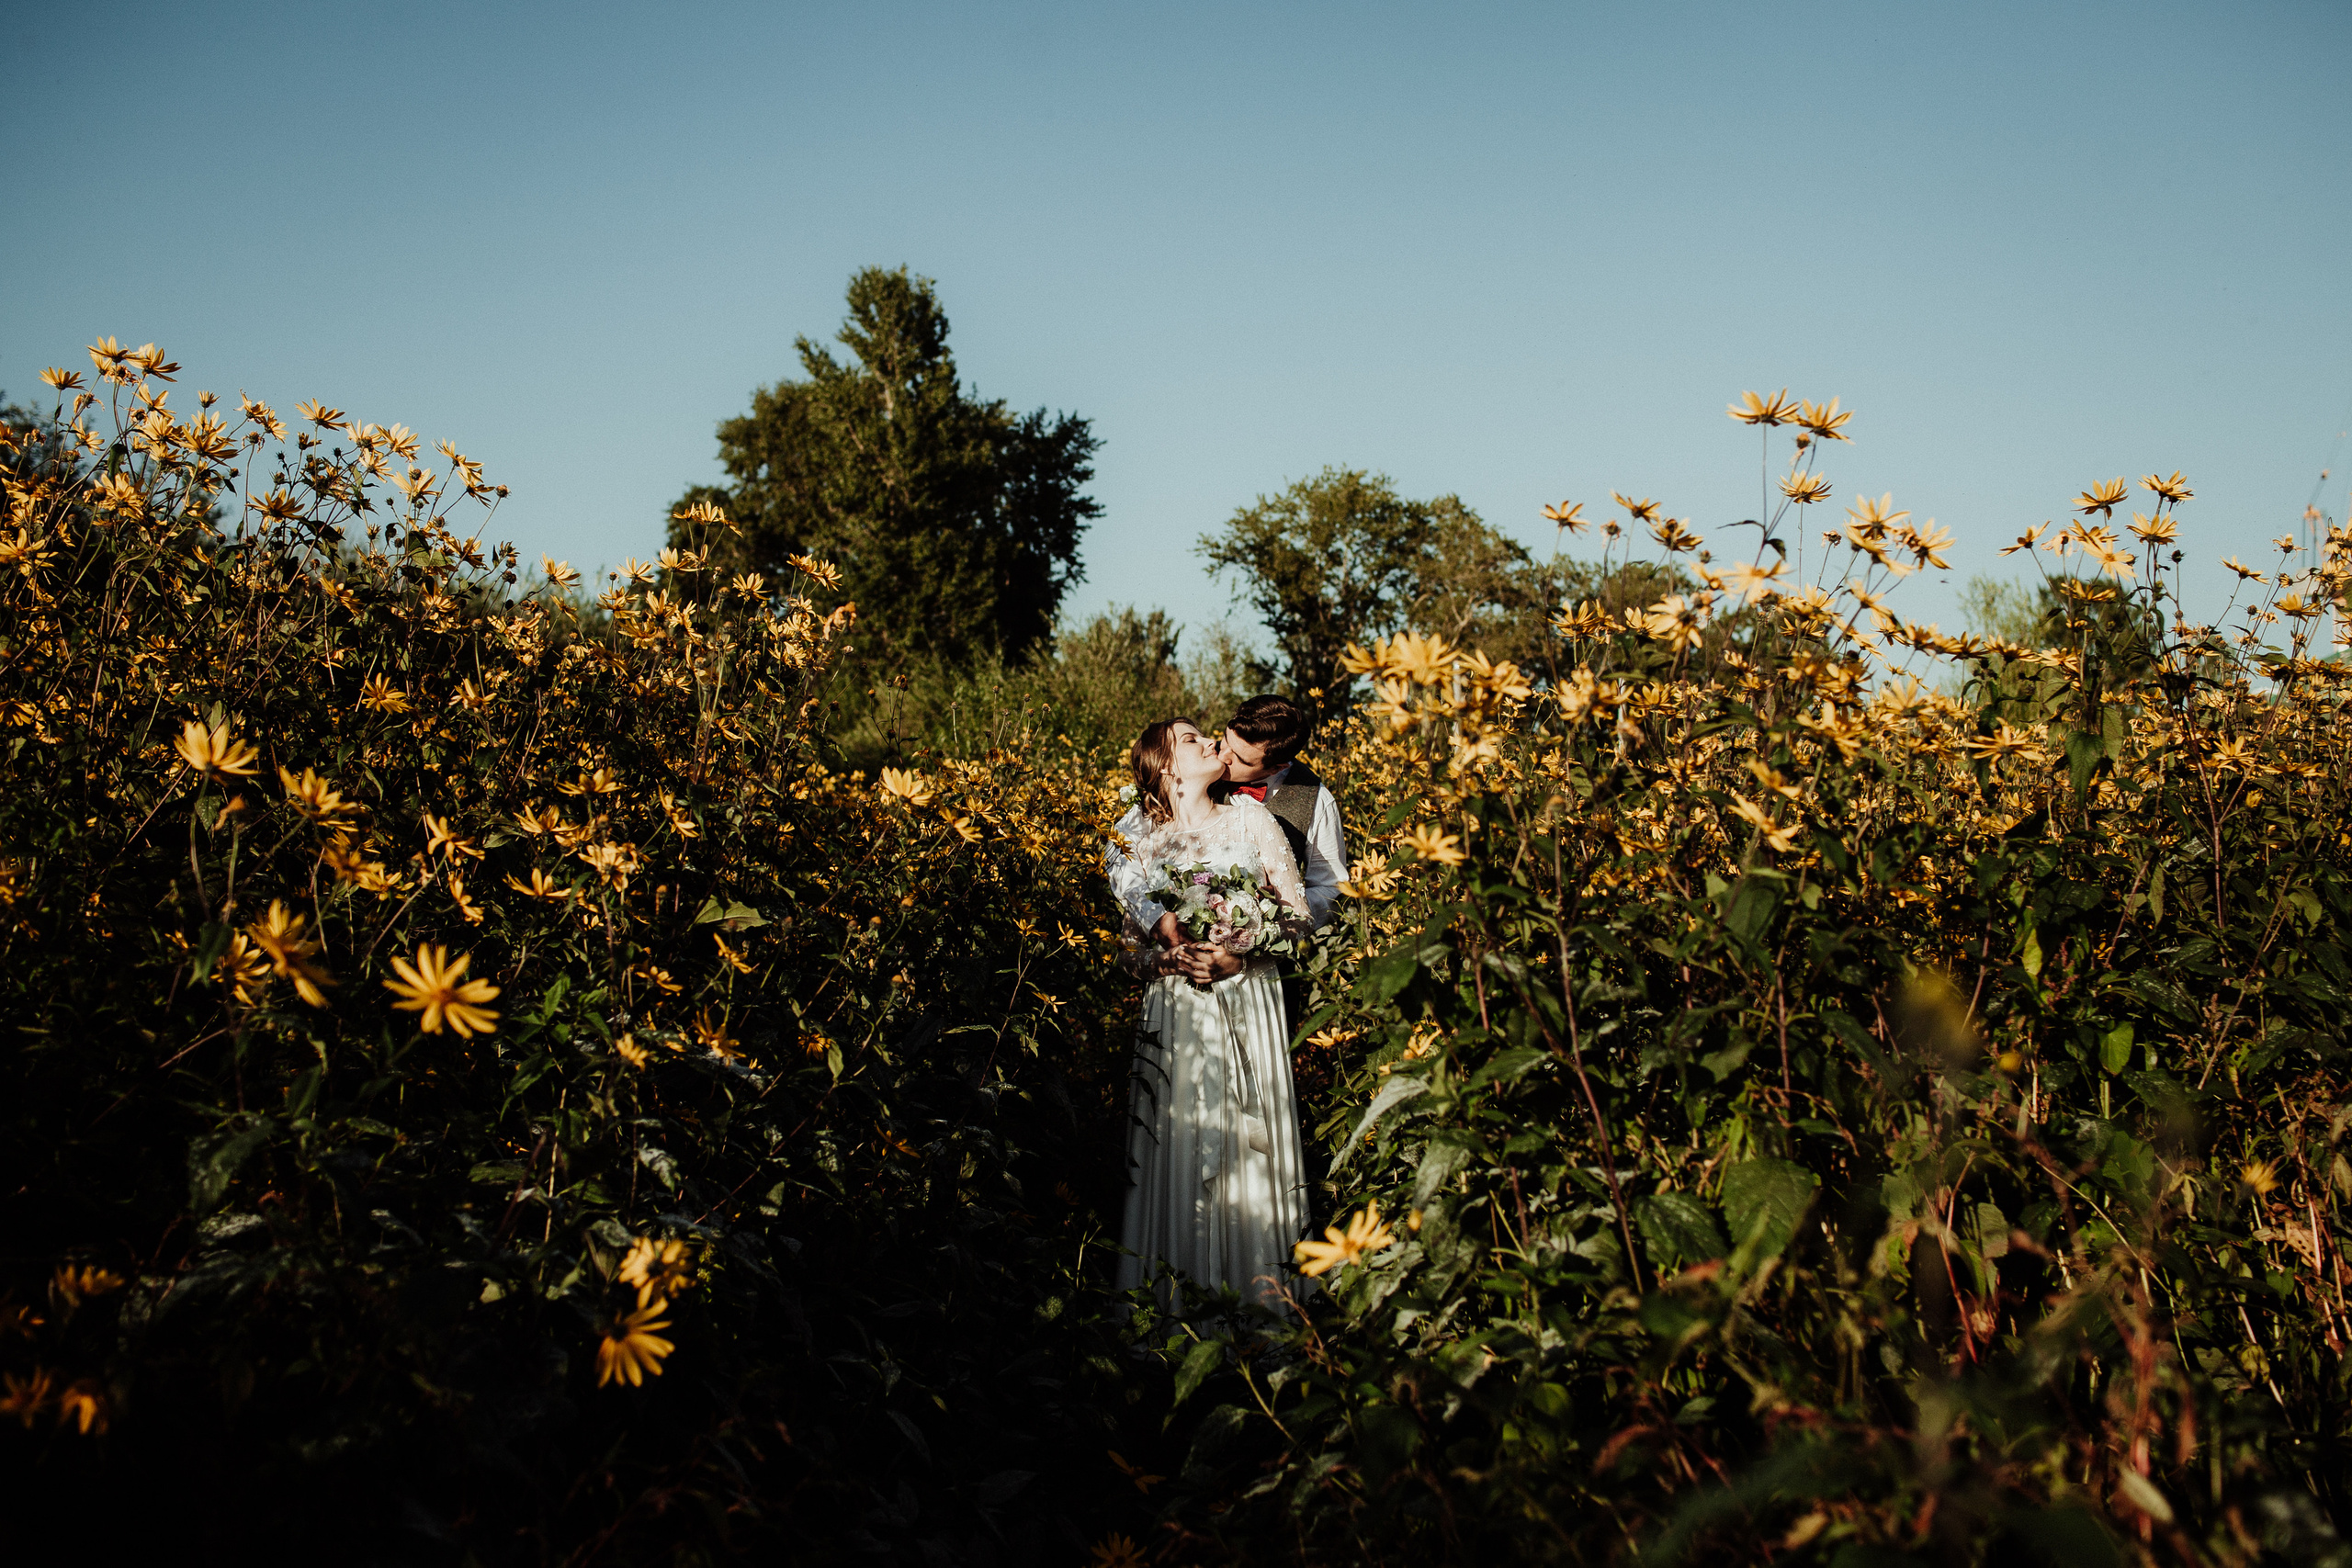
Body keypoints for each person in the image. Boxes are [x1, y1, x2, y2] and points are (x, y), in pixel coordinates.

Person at [1104, 717, 1313, 1306]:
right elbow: (1128, 956)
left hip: (1247, 998)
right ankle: (1176, 1309)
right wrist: (1167, 962)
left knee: (1250, 1152)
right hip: (1177, 1014)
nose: (1209, 743)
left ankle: (1263, 1306)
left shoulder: (1252, 820)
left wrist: (1240, 952)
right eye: (1191, 738)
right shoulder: (1138, 841)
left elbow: (1299, 922)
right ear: (1166, 766)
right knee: (1179, 1144)